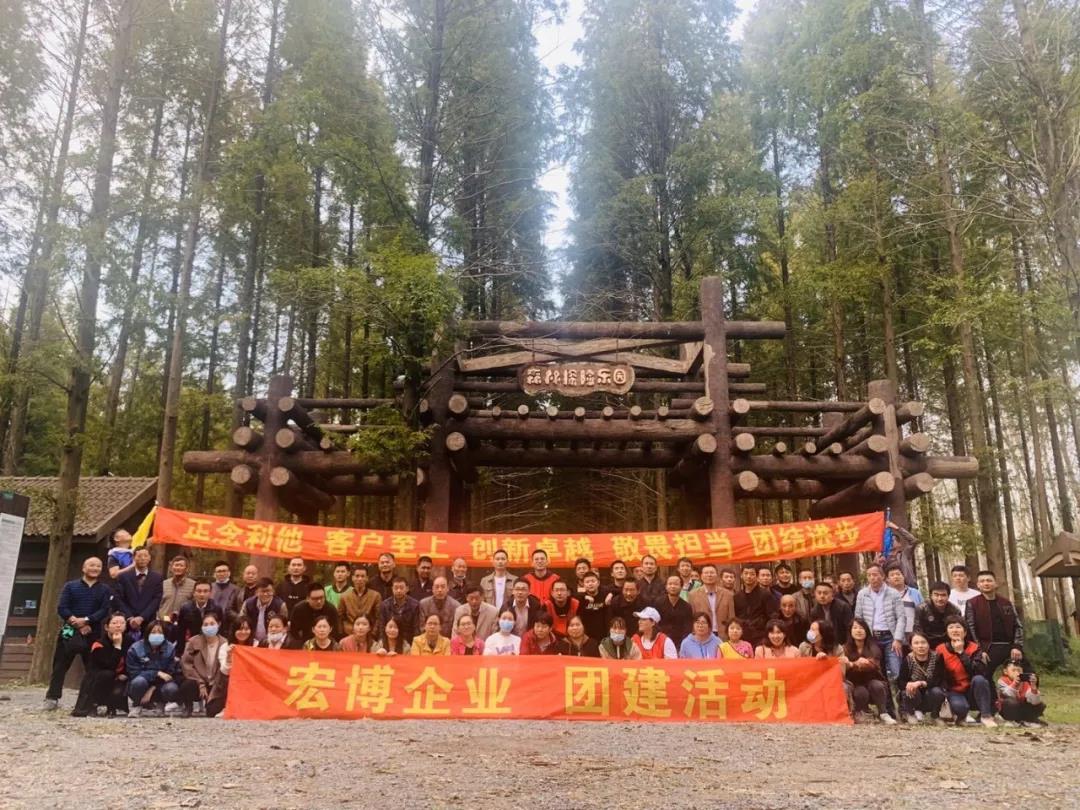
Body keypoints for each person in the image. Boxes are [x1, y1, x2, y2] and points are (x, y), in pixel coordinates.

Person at [43, 556, 112, 710]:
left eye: (98, 566)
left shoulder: (105, 589)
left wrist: (87, 621)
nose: (95, 568)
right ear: (84, 568)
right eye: (91, 565)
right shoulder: (70, 586)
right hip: (69, 630)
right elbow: (62, 607)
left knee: (93, 667)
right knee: (60, 665)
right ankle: (52, 697)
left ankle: (93, 700)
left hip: (93, 632)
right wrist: (75, 622)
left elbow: (104, 610)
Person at [936, 616, 996, 726]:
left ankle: (986, 716)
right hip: (953, 691)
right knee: (961, 707)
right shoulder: (941, 649)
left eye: (958, 627)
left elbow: (979, 671)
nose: (955, 630)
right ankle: (958, 715)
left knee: (980, 679)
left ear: (965, 632)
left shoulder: (974, 648)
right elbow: (938, 675)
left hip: (971, 689)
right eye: (951, 627)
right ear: (947, 632)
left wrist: (961, 653)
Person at [964, 570, 1024, 678]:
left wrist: (1017, 646)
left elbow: (1017, 626)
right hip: (987, 647)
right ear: (978, 585)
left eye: (989, 580)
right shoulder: (972, 603)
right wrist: (979, 650)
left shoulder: (1006, 603)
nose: (986, 583)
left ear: (995, 583)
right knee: (982, 675)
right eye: (982, 581)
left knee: (1028, 674)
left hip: (1009, 646)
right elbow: (970, 629)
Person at [853, 563, 904, 687]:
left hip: (890, 637)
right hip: (872, 638)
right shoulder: (862, 594)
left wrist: (898, 639)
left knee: (896, 671)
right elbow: (858, 618)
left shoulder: (893, 593)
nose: (872, 578)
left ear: (882, 576)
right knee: (878, 672)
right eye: (869, 575)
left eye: (875, 575)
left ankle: (901, 697)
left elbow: (901, 617)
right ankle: (886, 699)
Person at [71, 612, 129, 717]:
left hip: (120, 676)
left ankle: (117, 707)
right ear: (107, 627)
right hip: (98, 678)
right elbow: (108, 666)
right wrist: (117, 646)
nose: (118, 626)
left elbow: (131, 662)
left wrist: (125, 673)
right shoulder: (98, 644)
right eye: (114, 623)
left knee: (124, 683)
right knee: (107, 675)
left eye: (122, 623)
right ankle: (94, 705)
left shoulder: (129, 641)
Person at [840, 618, 894, 723]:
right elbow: (843, 667)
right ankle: (862, 712)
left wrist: (852, 664)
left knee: (876, 685)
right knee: (860, 691)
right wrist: (851, 664)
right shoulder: (844, 648)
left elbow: (872, 664)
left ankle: (883, 712)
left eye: (861, 628)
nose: (858, 630)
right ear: (850, 631)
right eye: (855, 628)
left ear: (866, 631)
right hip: (855, 683)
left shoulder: (874, 647)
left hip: (873, 680)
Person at [178, 608, 227, 717]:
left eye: (212, 624)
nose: (209, 627)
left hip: (216, 684)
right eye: (205, 624)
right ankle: (188, 707)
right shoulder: (193, 642)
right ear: (201, 627)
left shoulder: (225, 643)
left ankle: (211, 704)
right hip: (197, 681)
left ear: (218, 624)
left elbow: (224, 669)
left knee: (212, 712)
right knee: (187, 685)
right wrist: (200, 683)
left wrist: (213, 690)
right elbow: (187, 664)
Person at [125, 619, 179, 717]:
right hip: (141, 682)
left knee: (171, 688)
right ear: (147, 633)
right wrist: (156, 673)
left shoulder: (170, 648)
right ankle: (137, 705)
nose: (156, 635)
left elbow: (169, 673)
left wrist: (152, 689)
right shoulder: (135, 648)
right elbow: (133, 672)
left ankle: (160, 703)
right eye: (153, 632)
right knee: (138, 682)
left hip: (161, 683)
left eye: (160, 632)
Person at [896, 632, 945, 723]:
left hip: (929, 692)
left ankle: (935, 715)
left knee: (937, 691)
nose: (920, 646)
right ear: (911, 646)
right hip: (914, 694)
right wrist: (909, 684)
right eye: (916, 643)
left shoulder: (937, 657)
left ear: (928, 644)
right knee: (909, 689)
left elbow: (938, 680)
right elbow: (900, 681)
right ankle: (909, 713)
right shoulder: (908, 659)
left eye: (923, 642)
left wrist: (921, 683)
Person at [115, 546, 164, 636]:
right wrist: (130, 617)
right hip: (127, 620)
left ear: (149, 558)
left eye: (145, 556)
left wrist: (142, 617)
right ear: (133, 558)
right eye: (139, 556)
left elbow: (157, 599)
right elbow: (118, 599)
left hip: (148, 620)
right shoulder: (123, 576)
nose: (142, 558)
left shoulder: (157, 577)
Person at [216, 616, 254, 712]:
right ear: (234, 630)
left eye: (247, 629)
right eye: (240, 629)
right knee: (212, 709)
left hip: (251, 681)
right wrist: (229, 657)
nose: (243, 632)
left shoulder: (256, 645)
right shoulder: (225, 647)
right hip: (231, 681)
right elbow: (224, 671)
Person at [689, 564, 735, 640]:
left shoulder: (728, 594)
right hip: (702, 634)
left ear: (717, 576)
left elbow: (731, 616)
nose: (709, 575)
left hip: (723, 634)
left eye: (712, 573)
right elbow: (692, 617)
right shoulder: (693, 595)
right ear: (701, 576)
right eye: (706, 573)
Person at [176, 579, 218, 657]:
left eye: (205, 591)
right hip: (192, 644)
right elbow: (181, 632)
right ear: (194, 593)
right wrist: (180, 652)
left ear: (210, 593)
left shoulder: (216, 608)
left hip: (211, 645)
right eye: (199, 591)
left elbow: (220, 630)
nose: (202, 594)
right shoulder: (185, 608)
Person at [996, 660, 1045, 727]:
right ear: (1005, 672)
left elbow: (1034, 701)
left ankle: (1028, 719)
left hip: (1020, 708)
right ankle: (1010, 720)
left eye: (1019, 670)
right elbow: (1007, 694)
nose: (1017, 673)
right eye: (1013, 670)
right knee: (1011, 703)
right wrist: (1014, 684)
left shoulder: (1025, 683)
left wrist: (1034, 689)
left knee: (1040, 705)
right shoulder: (1002, 680)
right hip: (1007, 709)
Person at [913, 581, 959, 650]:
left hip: (948, 644)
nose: (940, 598)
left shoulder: (955, 610)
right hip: (927, 643)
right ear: (931, 596)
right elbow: (918, 630)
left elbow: (957, 631)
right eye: (936, 595)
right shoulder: (921, 608)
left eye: (943, 595)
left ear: (948, 596)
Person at [734, 565, 771, 648]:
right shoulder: (737, 596)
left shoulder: (766, 595)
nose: (749, 576)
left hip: (761, 636)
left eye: (752, 574)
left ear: (757, 577)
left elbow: (771, 616)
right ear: (741, 575)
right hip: (742, 636)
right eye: (746, 573)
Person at [886, 563, 923, 645]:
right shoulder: (885, 595)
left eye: (898, 574)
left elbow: (922, 611)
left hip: (913, 633)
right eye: (892, 575)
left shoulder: (915, 593)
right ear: (887, 579)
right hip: (893, 635)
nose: (896, 577)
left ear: (903, 576)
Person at [243, 577, 288, 642]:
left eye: (268, 591)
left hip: (273, 641)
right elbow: (241, 622)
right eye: (263, 591)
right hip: (251, 640)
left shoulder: (280, 605)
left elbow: (284, 626)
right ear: (256, 592)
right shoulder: (248, 604)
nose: (265, 594)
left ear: (273, 591)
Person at [655, 574, 694, 647]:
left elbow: (688, 628)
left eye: (676, 584)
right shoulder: (658, 603)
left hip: (680, 643)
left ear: (681, 587)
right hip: (661, 642)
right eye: (670, 584)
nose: (673, 586)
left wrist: (683, 644)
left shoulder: (686, 606)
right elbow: (654, 624)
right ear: (666, 587)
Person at [338, 566, 381, 632]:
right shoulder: (344, 596)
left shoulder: (375, 596)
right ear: (352, 578)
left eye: (363, 576)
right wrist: (348, 630)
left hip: (369, 632)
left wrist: (373, 633)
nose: (360, 579)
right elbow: (340, 617)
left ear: (367, 578)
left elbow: (379, 617)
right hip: (350, 632)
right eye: (357, 576)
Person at [379, 576, 421, 642]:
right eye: (396, 588)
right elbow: (382, 626)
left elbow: (416, 628)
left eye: (401, 588)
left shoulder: (415, 605)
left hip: (408, 640)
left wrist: (415, 643)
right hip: (390, 639)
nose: (398, 591)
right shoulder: (385, 605)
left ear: (407, 589)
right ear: (392, 589)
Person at [158, 555, 194, 624]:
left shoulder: (193, 585)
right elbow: (158, 604)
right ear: (171, 568)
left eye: (181, 566)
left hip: (183, 623)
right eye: (176, 565)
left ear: (186, 569)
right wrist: (162, 617)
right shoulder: (164, 584)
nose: (178, 568)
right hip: (164, 622)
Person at [209, 560, 244, 627]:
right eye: (219, 571)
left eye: (224, 571)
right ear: (214, 574)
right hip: (210, 623)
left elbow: (238, 609)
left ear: (229, 573)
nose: (222, 574)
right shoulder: (209, 588)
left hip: (229, 625)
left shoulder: (236, 590)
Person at [577, 571, 609, 641]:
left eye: (593, 581)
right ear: (583, 585)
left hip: (605, 636)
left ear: (598, 583)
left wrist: (611, 594)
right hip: (587, 637)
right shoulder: (580, 599)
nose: (590, 584)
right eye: (587, 582)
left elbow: (617, 589)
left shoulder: (605, 594)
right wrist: (584, 596)